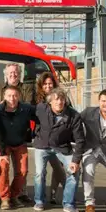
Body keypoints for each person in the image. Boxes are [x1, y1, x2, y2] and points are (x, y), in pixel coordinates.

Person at [33, 88, 84, 212]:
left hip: (62, 147)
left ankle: (68, 203)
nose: (59, 102)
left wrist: (76, 161)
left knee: (74, 171)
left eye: (62, 99)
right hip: (42, 145)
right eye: (56, 99)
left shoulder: (74, 116)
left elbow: (80, 140)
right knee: (39, 173)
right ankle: (39, 200)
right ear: (50, 102)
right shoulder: (40, 108)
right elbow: (25, 111)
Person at [0, 86, 34, 210]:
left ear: (19, 96)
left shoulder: (26, 109)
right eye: (9, 96)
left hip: (20, 143)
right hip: (4, 144)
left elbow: (40, 117)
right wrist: (2, 152)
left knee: (23, 171)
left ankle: (14, 195)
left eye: (15, 95)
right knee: (4, 169)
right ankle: (5, 198)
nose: (12, 98)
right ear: (4, 97)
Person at [32, 71, 66, 204]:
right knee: (48, 169)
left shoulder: (61, 97)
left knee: (58, 168)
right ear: (41, 85)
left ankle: (54, 193)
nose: (48, 86)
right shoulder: (37, 100)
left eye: (50, 83)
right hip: (43, 139)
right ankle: (46, 196)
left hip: (59, 139)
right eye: (45, 84)